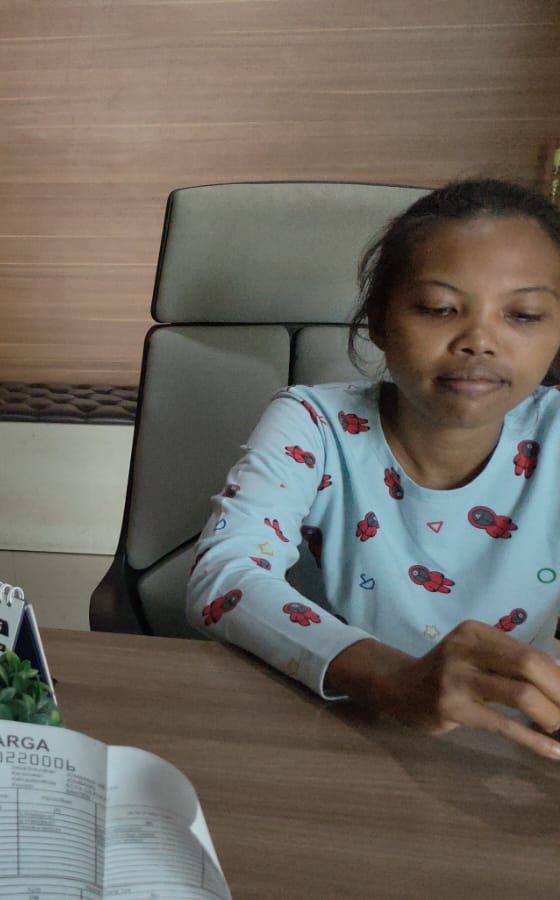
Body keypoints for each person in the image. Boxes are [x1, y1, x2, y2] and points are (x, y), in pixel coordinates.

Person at [187, 178, 560, 760]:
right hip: (332, 731)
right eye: (439, 308)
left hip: (508, 753)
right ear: (379, 322)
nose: (480, 341)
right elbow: (225, 574)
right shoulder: (315, 424)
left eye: (525, 314)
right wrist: (398, 681)